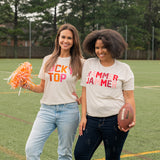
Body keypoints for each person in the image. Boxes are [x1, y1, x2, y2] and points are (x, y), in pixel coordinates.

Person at [21, 23, 83, 160]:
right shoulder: (48, 60)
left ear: (74, 41)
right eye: (63, 37)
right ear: (58, 38)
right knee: (31, 149)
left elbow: (90, 84)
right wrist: (27, 85)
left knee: (64, 154)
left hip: (69, 110)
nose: (65, 41)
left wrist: (83, 97)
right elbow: (42, 88)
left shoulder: (80, 62)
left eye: (69, 38)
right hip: (46, 110)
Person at [74, 29, 136, 160]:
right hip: (91, 120)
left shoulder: (124, 69)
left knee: (112, 157)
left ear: (113, 47)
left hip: (114, 121)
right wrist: (83, 117)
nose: (100, 51)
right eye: (97, 48)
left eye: (104, 47)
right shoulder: (89, 64)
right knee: (80, 154)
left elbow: (129, 97)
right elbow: (84, 92)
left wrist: (131, 118)